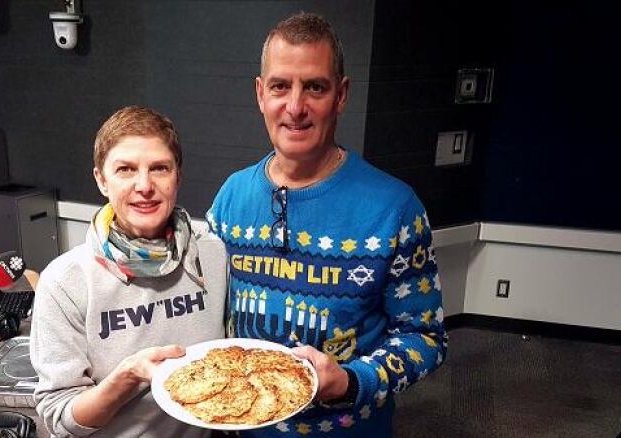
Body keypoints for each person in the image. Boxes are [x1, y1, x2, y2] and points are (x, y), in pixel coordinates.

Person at [206, 12, 447, 437]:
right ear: (261, 94)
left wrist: (352, 381)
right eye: (281, 86)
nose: (295, 107)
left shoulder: (395, 209)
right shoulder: (230, 198)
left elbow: (425, 338)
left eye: (314, 87)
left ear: (341, 95)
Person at [30, 106, 227, 437]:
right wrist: (128, 376)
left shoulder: (213, 255)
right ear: (101, 180)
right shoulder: (65, 282)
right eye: (125, 169)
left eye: (160, 168)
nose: (144, 185)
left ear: (178, 176)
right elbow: (60, 416)